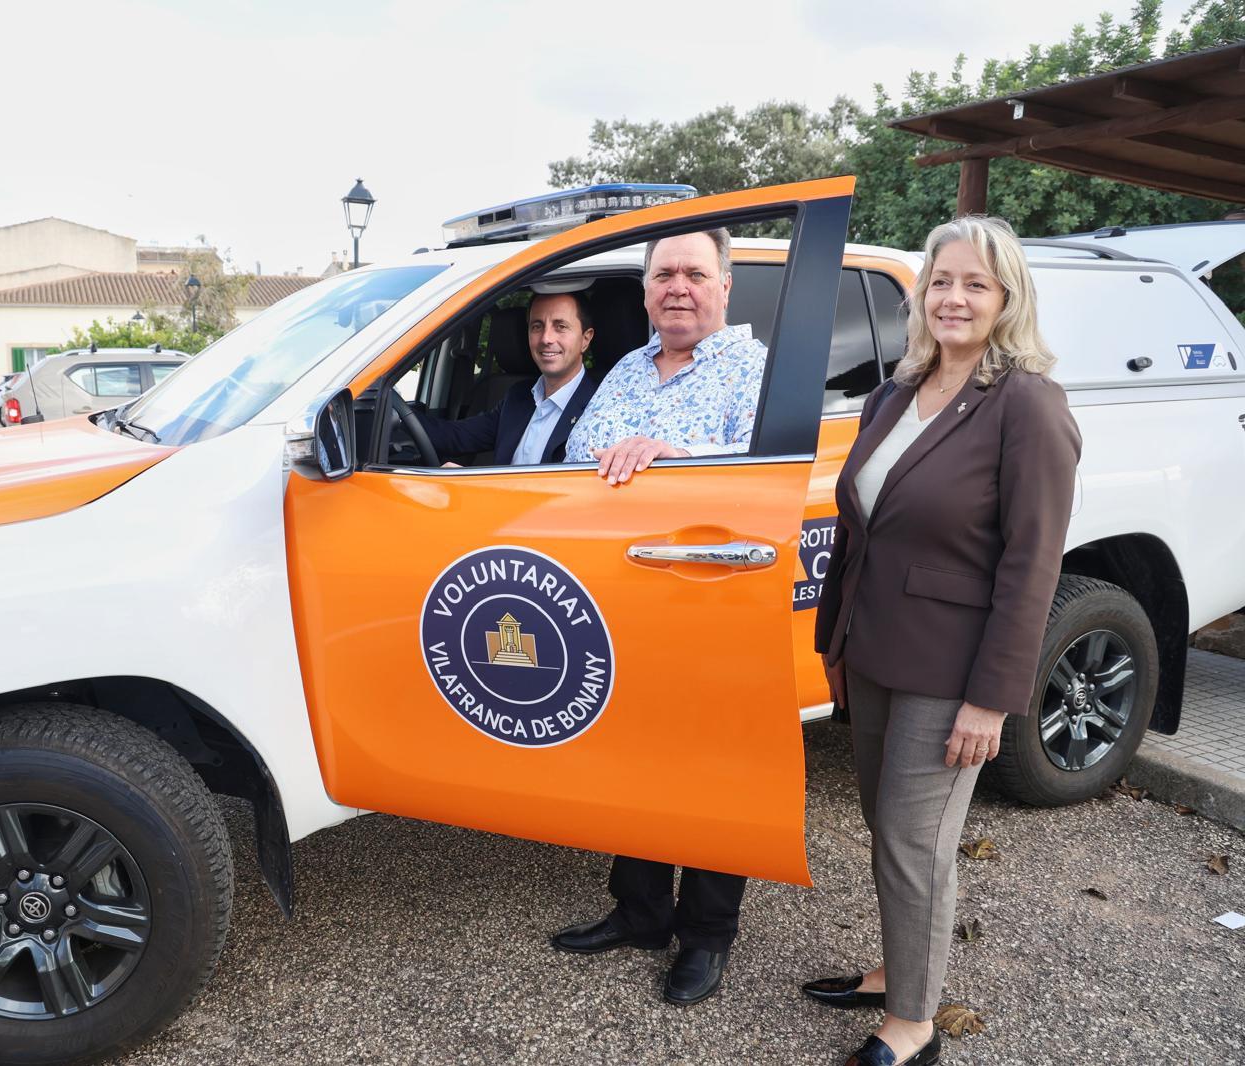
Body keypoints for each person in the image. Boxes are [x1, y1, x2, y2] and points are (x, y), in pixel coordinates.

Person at [808, 216, 1081, 1066]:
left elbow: (1032, 565)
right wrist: (832, 641)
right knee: (882, 823)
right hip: (873, 649)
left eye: (975, 283)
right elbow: (860, 527)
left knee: (914, 840)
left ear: (1006, 299)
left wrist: (993, 699)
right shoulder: (898, 391)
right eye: (941, 281)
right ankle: (898, 968)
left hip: (952, 669)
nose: (953, 297)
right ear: (921, 294)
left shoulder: (1027, 405)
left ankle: (915, 1022)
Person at [550, 228, 768, 1006]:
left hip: (716, 603)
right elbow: (583, 447)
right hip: (626, 599)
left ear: (726, 285)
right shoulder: (625, 368)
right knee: (636, 760)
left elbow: (765, 464)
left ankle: (707, 937)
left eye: (694, 273)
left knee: (714, 773)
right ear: (645, 291)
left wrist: (670, 451)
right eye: (663, 273)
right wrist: (627, 449)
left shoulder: (757, 367)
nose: (678, 285)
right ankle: (641, 912)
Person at [415, 291, 600, 466]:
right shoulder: (518, 396)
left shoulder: (601, 407)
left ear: (586, 339)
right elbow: (455, 437)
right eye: (537, 326)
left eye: (560, 327)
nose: (546, 338)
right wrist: (397, 414)